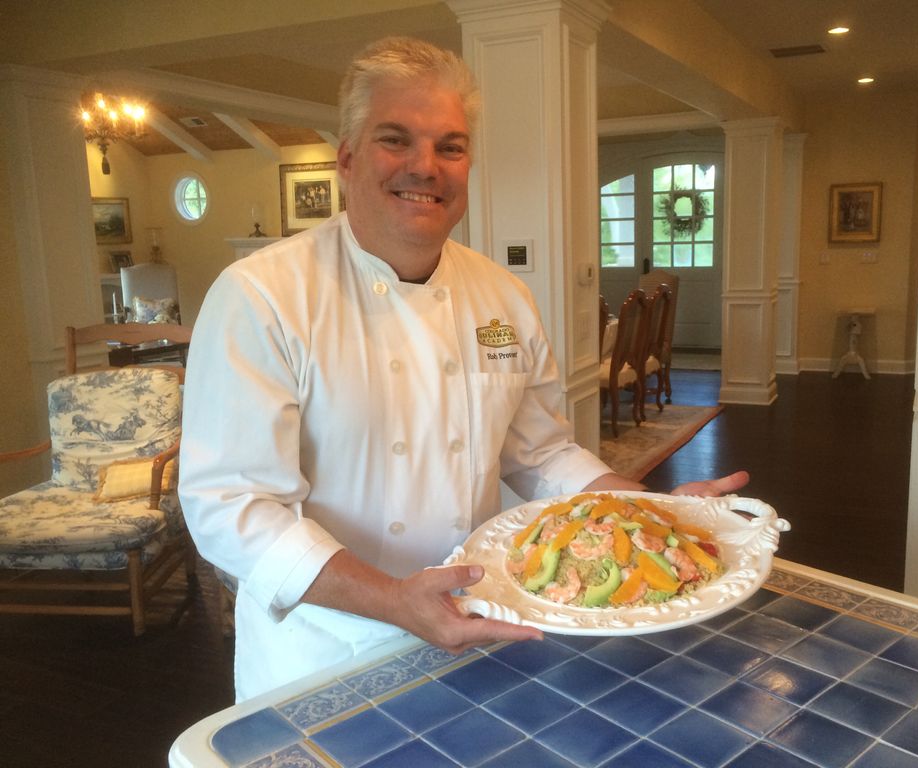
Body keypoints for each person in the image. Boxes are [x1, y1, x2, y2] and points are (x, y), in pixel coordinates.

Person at [179, 36, 748, 702]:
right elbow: (232, 507)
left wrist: (648, 513)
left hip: (473, 631)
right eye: (396, 140)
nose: (426, 167)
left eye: (450, 147)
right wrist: (394, 600)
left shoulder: (500, 299)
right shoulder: (262, 297)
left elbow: (540, 454)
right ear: (347, 157)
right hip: (322, 654)